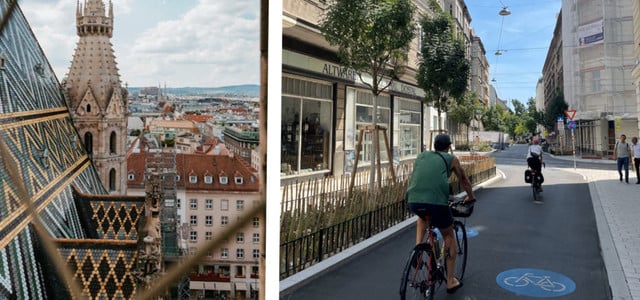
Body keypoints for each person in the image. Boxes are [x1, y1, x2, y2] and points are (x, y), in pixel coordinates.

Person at [406, 134, 476, 294]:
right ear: (448, 147)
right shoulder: (451, 159)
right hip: (437, 202)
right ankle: (450, 281)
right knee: (449, 236)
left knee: (422, 217)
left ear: (434, 145)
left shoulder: (422, 155)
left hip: (414, 200)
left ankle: (418, 249)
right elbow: (463, 180)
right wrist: (471, 197)